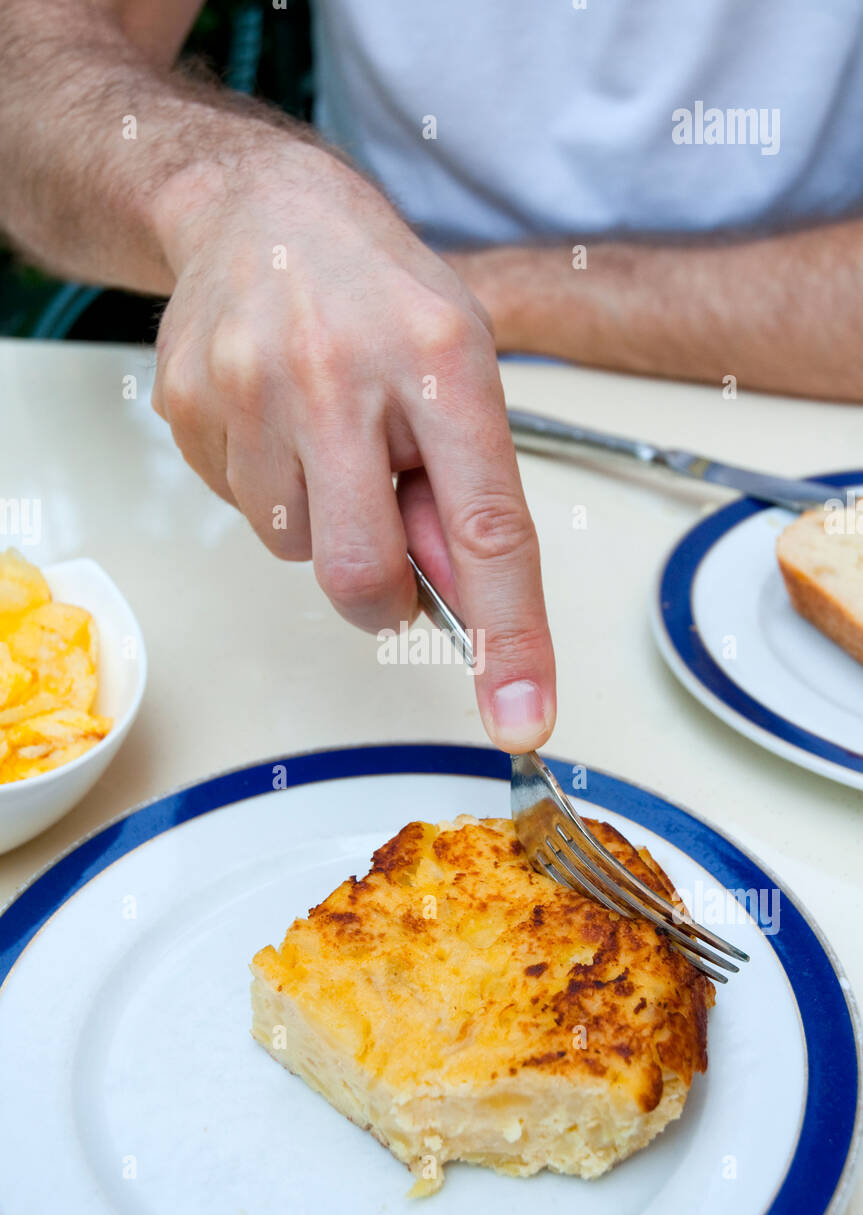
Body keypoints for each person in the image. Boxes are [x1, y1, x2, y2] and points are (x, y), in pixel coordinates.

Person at [3, 2, 862, 754]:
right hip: (343, 425)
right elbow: (25, 85)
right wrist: (219, 189)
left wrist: (442, 301)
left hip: (791, 403)